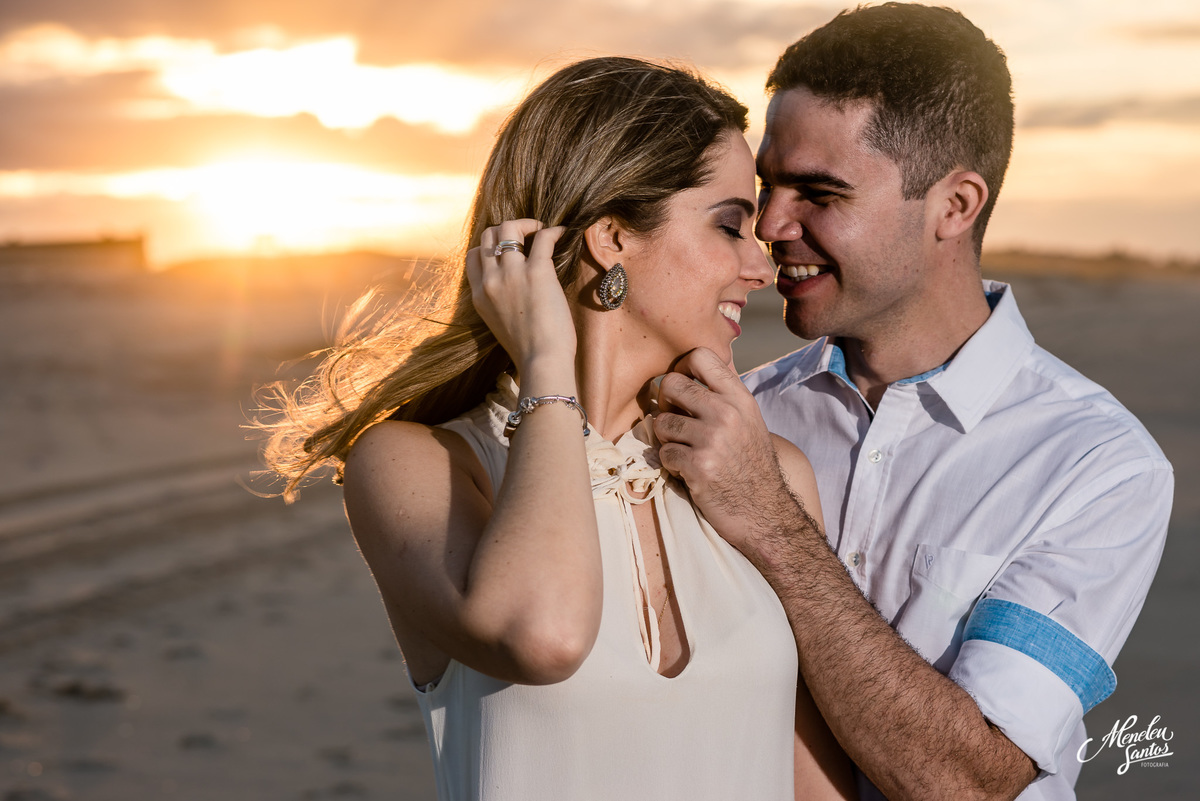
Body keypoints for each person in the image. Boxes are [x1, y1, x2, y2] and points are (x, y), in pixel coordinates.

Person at [256, 57, 854, 800]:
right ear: (611, 239)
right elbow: (543, 634)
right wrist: (546, 363)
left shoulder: (766, 474)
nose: (756, 264)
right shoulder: (419, 465)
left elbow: (815, 787)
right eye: (729, 224)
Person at [651, 5, 1173, 801]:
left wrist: (773, 523)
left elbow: (970, 779)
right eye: (768, 188)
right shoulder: (735, 415)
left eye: (819, 192)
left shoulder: (1098, 463)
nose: (773, 227)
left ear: (955, 207)